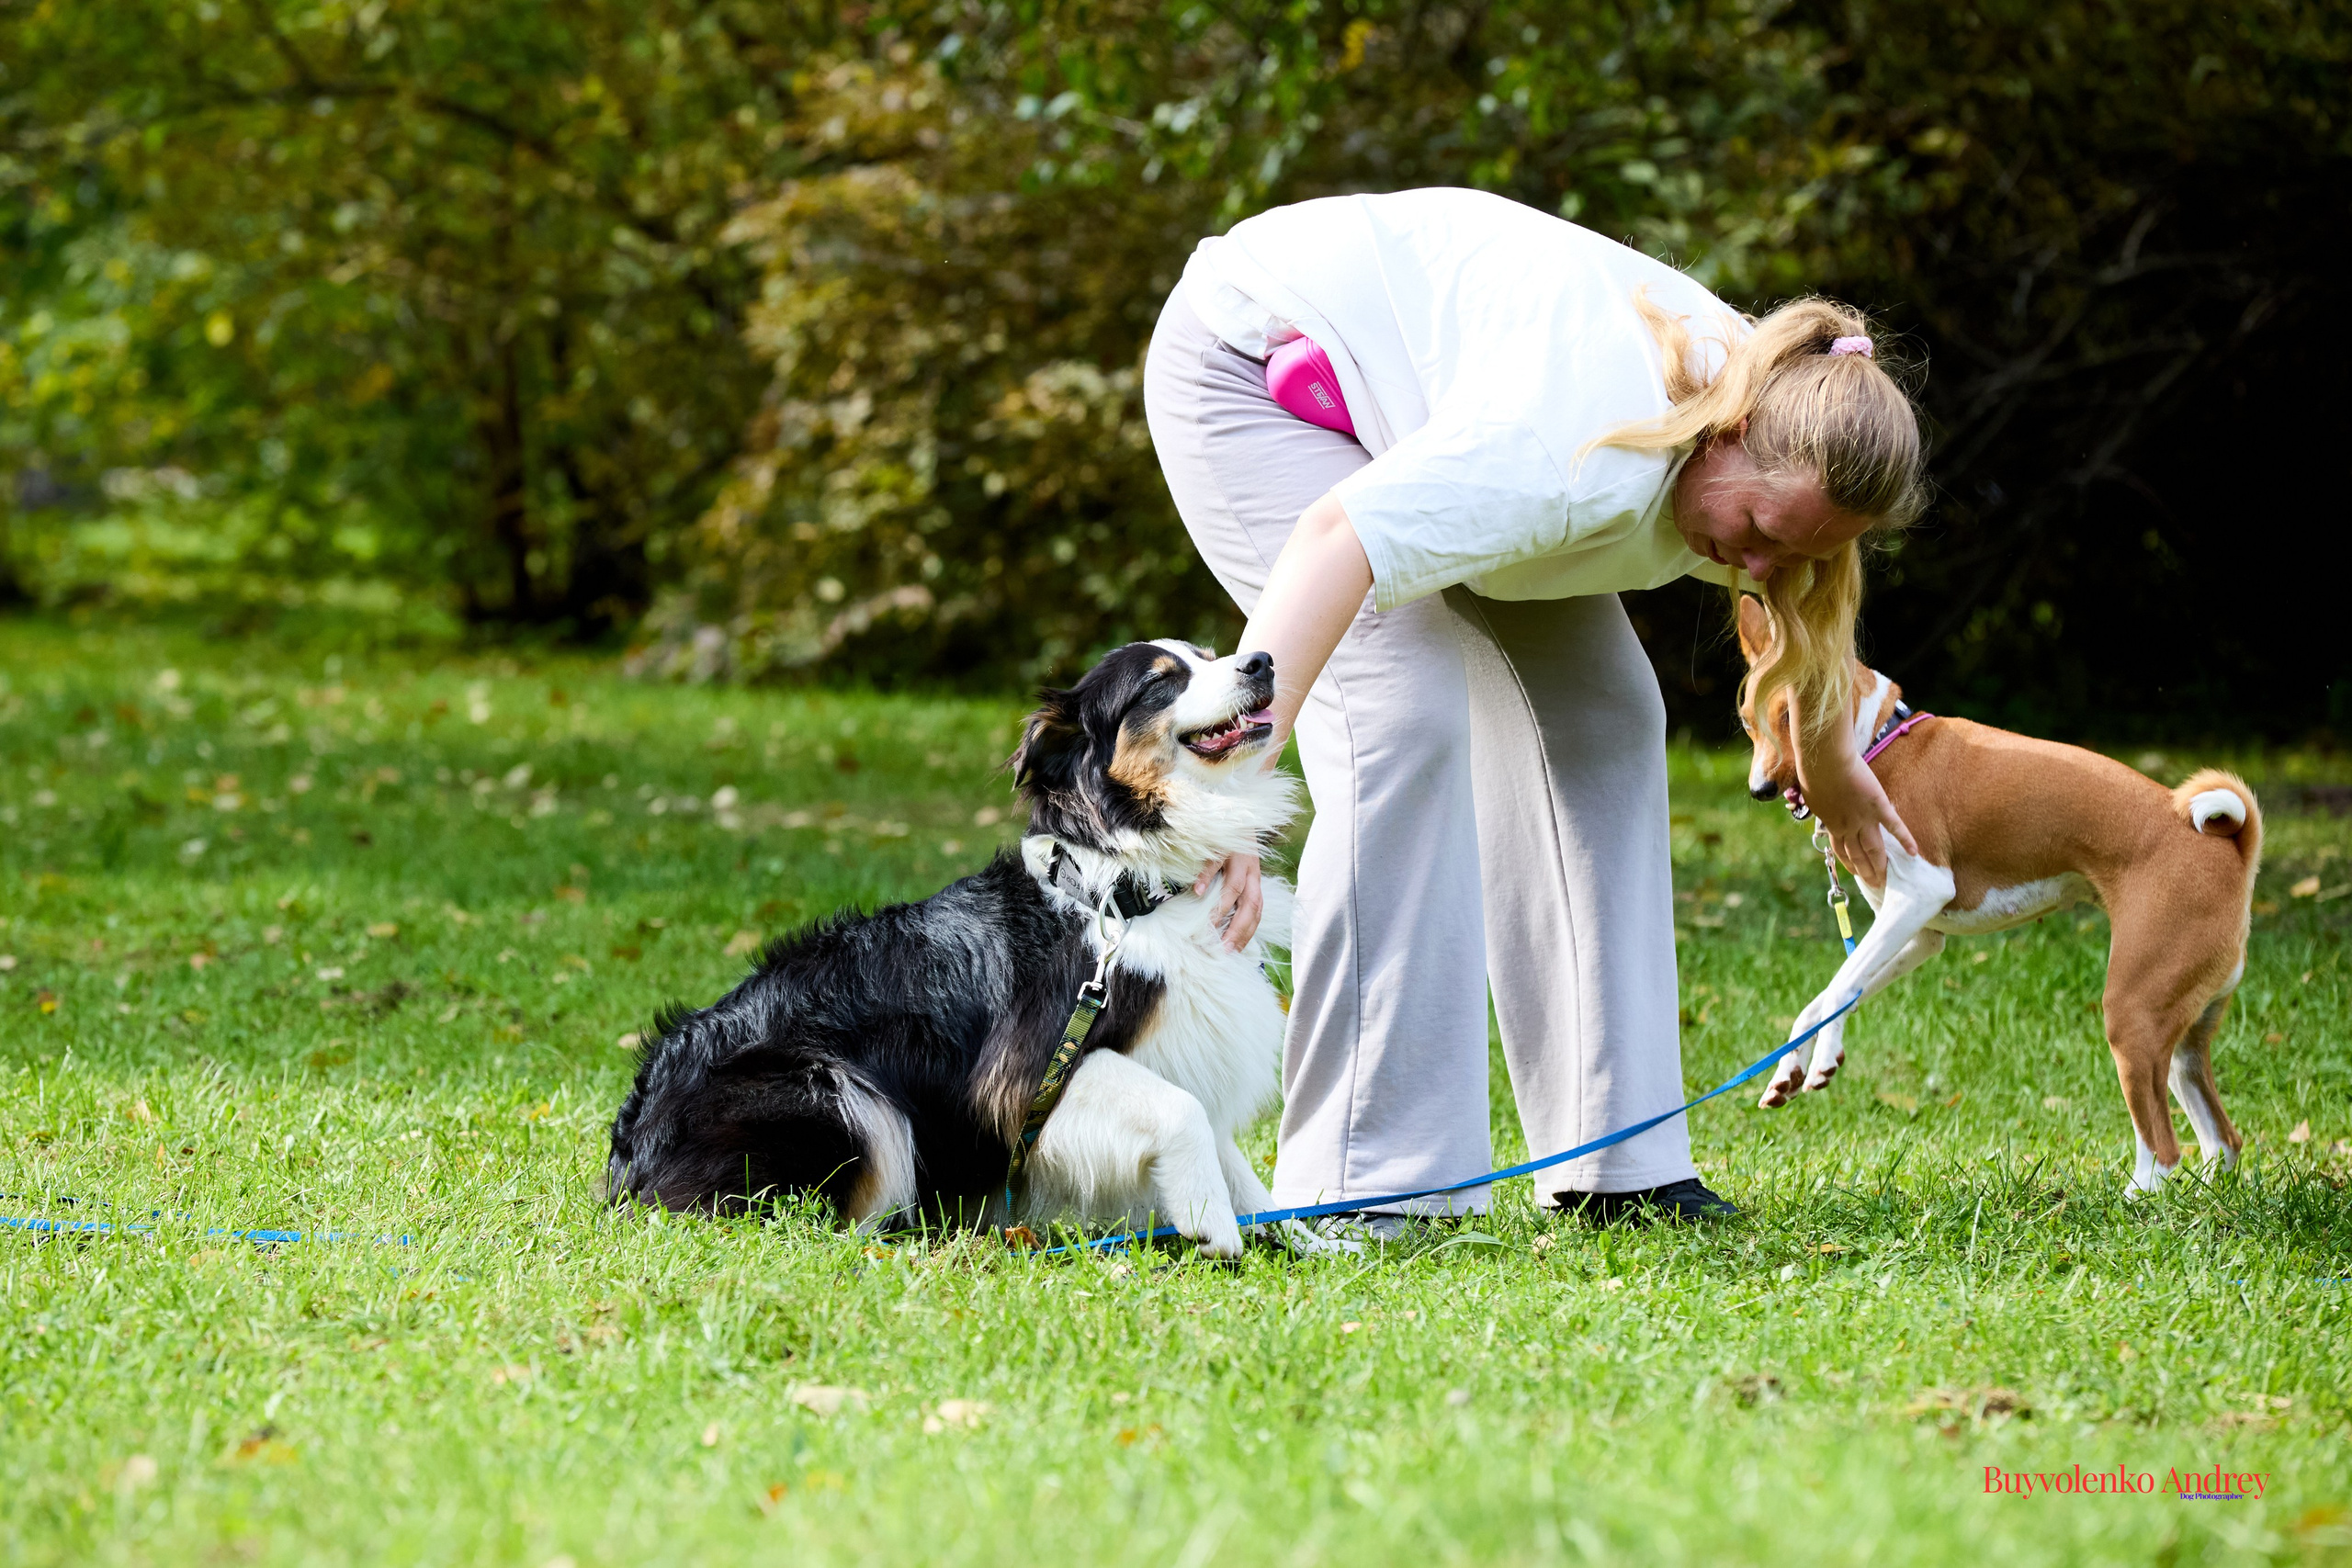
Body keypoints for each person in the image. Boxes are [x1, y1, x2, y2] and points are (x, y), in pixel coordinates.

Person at [1140, 186, 1928, 1234]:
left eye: (1795, 551)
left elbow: (1809, 613)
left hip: (1429, 404)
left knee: (1604, 715)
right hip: (1255, 366)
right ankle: (1363, 1185)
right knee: (1400, 713)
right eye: (1754, 530)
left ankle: (1619, 1162)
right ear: (1725, 434)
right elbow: (1338, 542)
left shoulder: (1791, 421)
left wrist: (1833, 767)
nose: (1758, 567)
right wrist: (1237, 789)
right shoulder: (1570, 460)